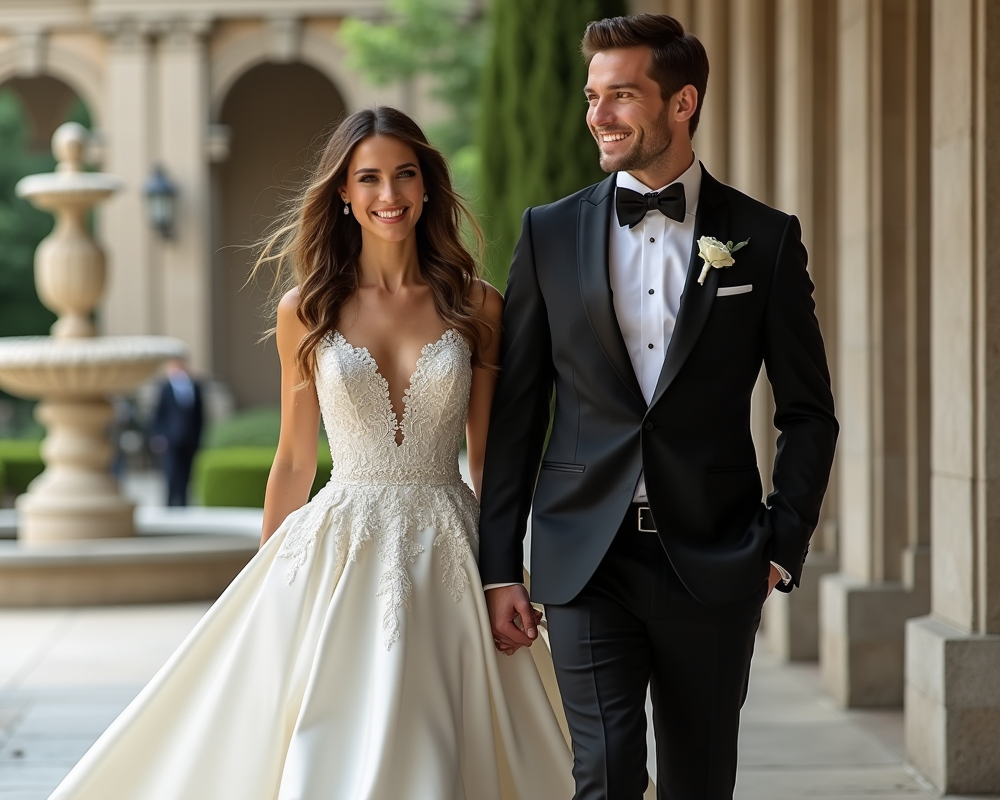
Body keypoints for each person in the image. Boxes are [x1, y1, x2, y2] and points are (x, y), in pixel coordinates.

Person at [47, 106, 574, 800]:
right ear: (346, 196)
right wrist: (264, 583)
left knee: (443, 735)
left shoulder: (477, 306)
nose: (391, 195)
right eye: (370, 179)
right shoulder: (307, 308)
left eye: (405, 175)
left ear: (427, 186)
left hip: (448, 541)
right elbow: (295, 458)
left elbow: (489, 459)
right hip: (339, 543)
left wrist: (504, 573)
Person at [479, 14, 838, 800]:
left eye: (620, 96)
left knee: (699, 780)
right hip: (584, 557)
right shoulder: (548, 233)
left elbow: (809, 410)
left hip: (715, 556)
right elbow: (517, 411)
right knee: (603, 775)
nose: (596, 116)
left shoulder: (764, 239)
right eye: (591, 96)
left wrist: (782, 540)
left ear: (682, 104)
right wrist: (499, 565)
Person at [150, 358, 205, 506]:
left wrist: (200, 436)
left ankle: (183, 501)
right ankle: (169, 502)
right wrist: (157, 436)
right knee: (171, 471)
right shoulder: (165, 388)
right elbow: (158, 414)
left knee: (187, 472)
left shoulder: (195, 386)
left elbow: (200, 415)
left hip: (190, 437)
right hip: (170, 438)